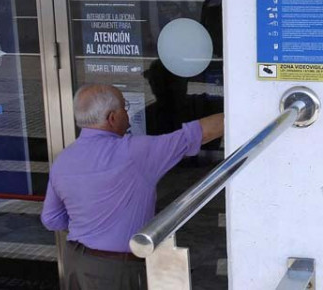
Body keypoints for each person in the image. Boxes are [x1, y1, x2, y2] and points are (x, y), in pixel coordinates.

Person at [41, 84, 224, 290]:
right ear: (112, 117)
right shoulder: (135, 153)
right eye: (124, 108)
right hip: (117, 269)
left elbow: (51, 219)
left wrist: (91, 226)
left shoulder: (63, 160)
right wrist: (241, 111)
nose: (128, 113)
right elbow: (202, 133)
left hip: (75, 261)